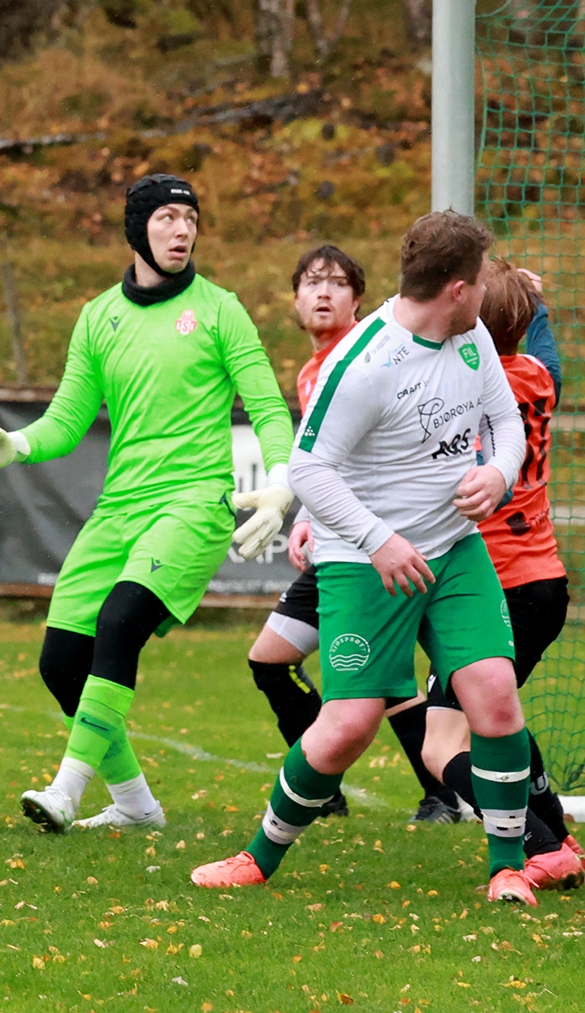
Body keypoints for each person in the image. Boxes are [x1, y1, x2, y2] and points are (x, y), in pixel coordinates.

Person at [191, 210, 539, 906]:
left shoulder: (469, 337)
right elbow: (311, 470)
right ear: (458, 288)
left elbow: (506, 426)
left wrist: (498, 474)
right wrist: (379, 540)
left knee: (494, 693)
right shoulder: (363, 362)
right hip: (363, 559)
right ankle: (259, 856)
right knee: (347, 726)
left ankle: (509, 866)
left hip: (453, 550)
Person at [0, 174, 295, 833]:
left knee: (117, 626)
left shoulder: (221, 309)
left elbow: (266, 404)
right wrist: (17, 446)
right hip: (120, 509)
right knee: (61, 662)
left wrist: (283, 479)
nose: (183, 231)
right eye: (168, 218)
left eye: (191, 219)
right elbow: (67, 419)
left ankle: (67, 788)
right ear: (138, 227)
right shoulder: (98, 317)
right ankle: (136, 805)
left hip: (194, 504)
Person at [245, 245, 452, 821]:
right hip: (342, 540)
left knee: (381, 677)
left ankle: (441, 793)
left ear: (358, 299)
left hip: (379, 541)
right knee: (271, 659)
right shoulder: (313, 370)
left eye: (337, 284)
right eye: (312, 283)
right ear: (294, 300)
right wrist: (309, 518)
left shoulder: (371, 355)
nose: (323, 293)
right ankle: (323, 782)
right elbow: (329, 461)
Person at [413, 259, 585, 890]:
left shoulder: (459, 392)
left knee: (442, 747)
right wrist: (534, 305)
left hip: (493, 588)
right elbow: (545, 351)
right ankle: (559, 832)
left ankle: (542, 848)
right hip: (546, 582)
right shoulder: (539, 379)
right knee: (503, 717)